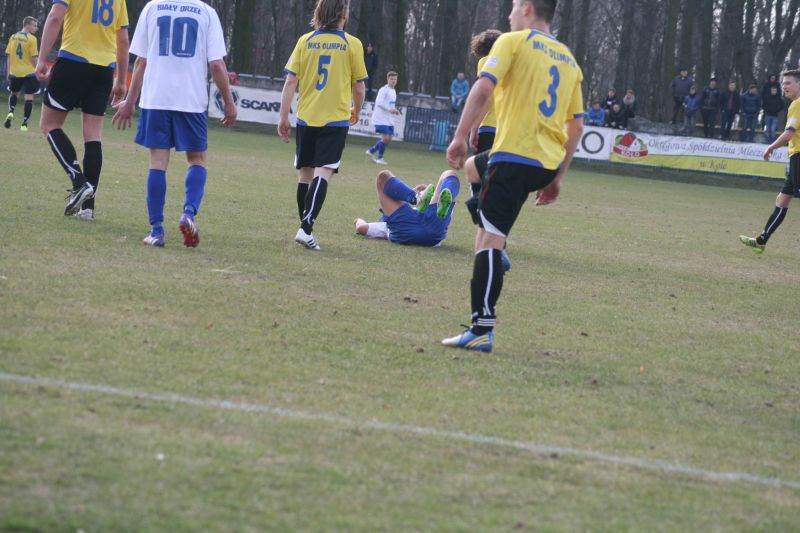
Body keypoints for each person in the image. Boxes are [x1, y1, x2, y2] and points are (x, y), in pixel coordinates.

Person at [442, 0, 584, 352]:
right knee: (477, 172)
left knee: (487, 241)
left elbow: (484, 88)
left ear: (528, 7)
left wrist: (460, 136)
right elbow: (576, 125)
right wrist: (557, 178)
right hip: (545, 162)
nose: (508, 14)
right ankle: (490, 224)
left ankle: (481, 329)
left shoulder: (512, 40)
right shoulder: (568, 59)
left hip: (515, 156)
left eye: (513, 6)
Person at [111, 0, 237, 248]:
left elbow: (141, 62)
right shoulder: (206, 13)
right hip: (190, 100)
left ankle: (156, 231)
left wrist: (130, 101)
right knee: (197, 159)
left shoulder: (152, 8)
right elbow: (216, 65)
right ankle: (188, 214)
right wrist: (229, 102)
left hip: (156, 98)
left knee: (157, 163)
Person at [278, 0, 368, 251]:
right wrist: (356, 111)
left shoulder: (305, 41)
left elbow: (290, 82)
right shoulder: (352, 44)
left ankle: (304, 227)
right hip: (335, 120)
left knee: (305, 173)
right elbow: (359, 87)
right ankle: (306, 228)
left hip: (306, 117)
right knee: (324, 171)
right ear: (343, 14)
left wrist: (283, 116)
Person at [35, 0, 130, 219]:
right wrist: (121, 80)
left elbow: (55, 17)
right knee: (93, 135)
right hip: (103, 70)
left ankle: (79, 182)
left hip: (73, 61)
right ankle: (88, 209)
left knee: (49, 124)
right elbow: (123, 40)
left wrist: (42, 58)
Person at [740, 70, 800, 253]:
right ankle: (761, 240)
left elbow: (789, 133)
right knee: (782, 200)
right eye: (783, 84)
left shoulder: (797, 104)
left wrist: (771, 147)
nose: (784, 87)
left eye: (788, 83)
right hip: (795, 156)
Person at [354, 169, 459, 247]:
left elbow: (362, 228)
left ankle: (416, 198)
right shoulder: (440, 209)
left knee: (383, 176)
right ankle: (442, 191)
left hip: (406, 229)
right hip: (435, 232)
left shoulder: (385, 225)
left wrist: (358, 220)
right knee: (450, 173)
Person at [468, 29, 502, 154]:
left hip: (489, 126)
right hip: (506, 130)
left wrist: (474, 127)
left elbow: (486, 97)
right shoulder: (509, 65)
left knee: (477, 171)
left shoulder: (486, 61)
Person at [4, 16, 39, 132]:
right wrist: (38, 70)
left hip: (15, 73)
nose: (36, 28)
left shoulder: (13, 37)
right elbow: (34, 58)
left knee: (14, 94)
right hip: (29, 73)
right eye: (34, 25)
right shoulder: (32, 39)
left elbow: (8, 56)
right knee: (29, 98)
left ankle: (10, 112)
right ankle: (24, 124)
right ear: (27, 25)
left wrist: (8, 72)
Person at [366, 71, 400, 165]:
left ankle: (371, 151)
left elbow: (391, 104)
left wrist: (395, 110)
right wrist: (390, 109)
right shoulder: (383, 90)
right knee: (385, 138)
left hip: (389, 119)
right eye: (391, 79)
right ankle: (380, 158)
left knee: (389, 139)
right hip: (380, 118)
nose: (393, 81)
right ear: (388, 79)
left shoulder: (393, 91)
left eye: (395, 79)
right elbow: (379, 103)